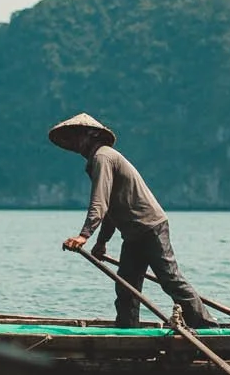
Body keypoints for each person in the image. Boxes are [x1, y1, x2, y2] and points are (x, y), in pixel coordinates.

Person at [50, 113, 215, 328]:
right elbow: (110, 207)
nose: (74, 144)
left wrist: (84, 236)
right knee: (126, 287)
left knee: (170, 280)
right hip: (133, 233)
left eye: (77, 137)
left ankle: (208, 328)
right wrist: (101, 242)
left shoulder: (103, 157)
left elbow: (99, 201)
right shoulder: (97, 160)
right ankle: (128, 330)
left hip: (150, 226)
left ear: (91, 135)